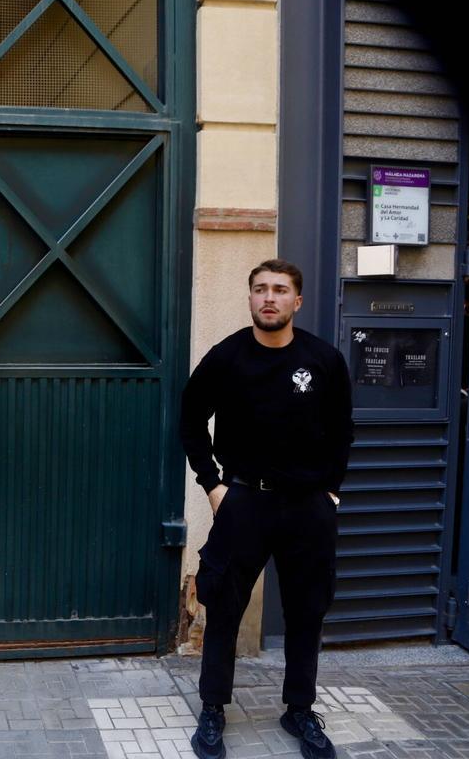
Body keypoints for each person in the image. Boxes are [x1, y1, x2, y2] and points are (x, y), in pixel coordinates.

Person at [179, 259, 354, 759]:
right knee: (223, 606)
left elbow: (342, 429)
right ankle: (213, 708)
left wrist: (331, 491)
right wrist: (212, 485)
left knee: (307, 610)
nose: (269, 298)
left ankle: (299, 708)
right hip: (243, 503)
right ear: (250, 298)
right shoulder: (227, 357)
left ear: (297, 301)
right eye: (260, 290)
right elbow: (191, 420)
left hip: (307, 507)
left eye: (280, 290)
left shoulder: (322, 360)